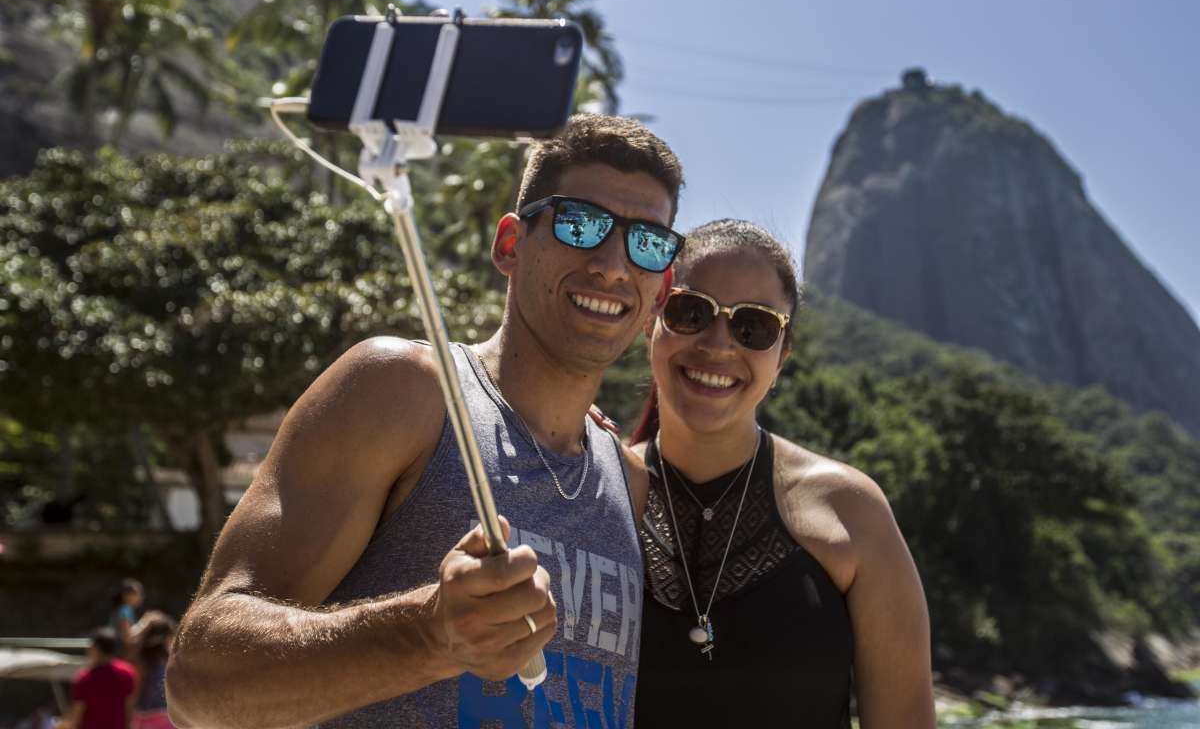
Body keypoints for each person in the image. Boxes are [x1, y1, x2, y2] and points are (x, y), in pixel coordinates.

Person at [166, 114, 686, 727]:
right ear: (511, 244)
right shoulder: (402, 392)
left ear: (662, 286)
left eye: (647, 242)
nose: (612, 264)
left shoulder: (630, 482)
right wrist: (428, 636)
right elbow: (197, 679)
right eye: (580, 223)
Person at [626, 219, 935, 727]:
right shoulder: (597, 486)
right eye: (691, 312)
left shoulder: (850, 510)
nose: (719, 344)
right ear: (651, 320)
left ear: (782, 356)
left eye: (754, 327)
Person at [56, 627, 137, 729]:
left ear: (95, 648)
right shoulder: (127, 672)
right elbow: (129, 709)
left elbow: (76, 716)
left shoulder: (84, 678)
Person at [129, 615, 176, 729]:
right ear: (167, 637)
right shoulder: (173, 660)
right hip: (168, 716)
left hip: (146, 716)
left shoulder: (141, 660)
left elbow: (135, 693)